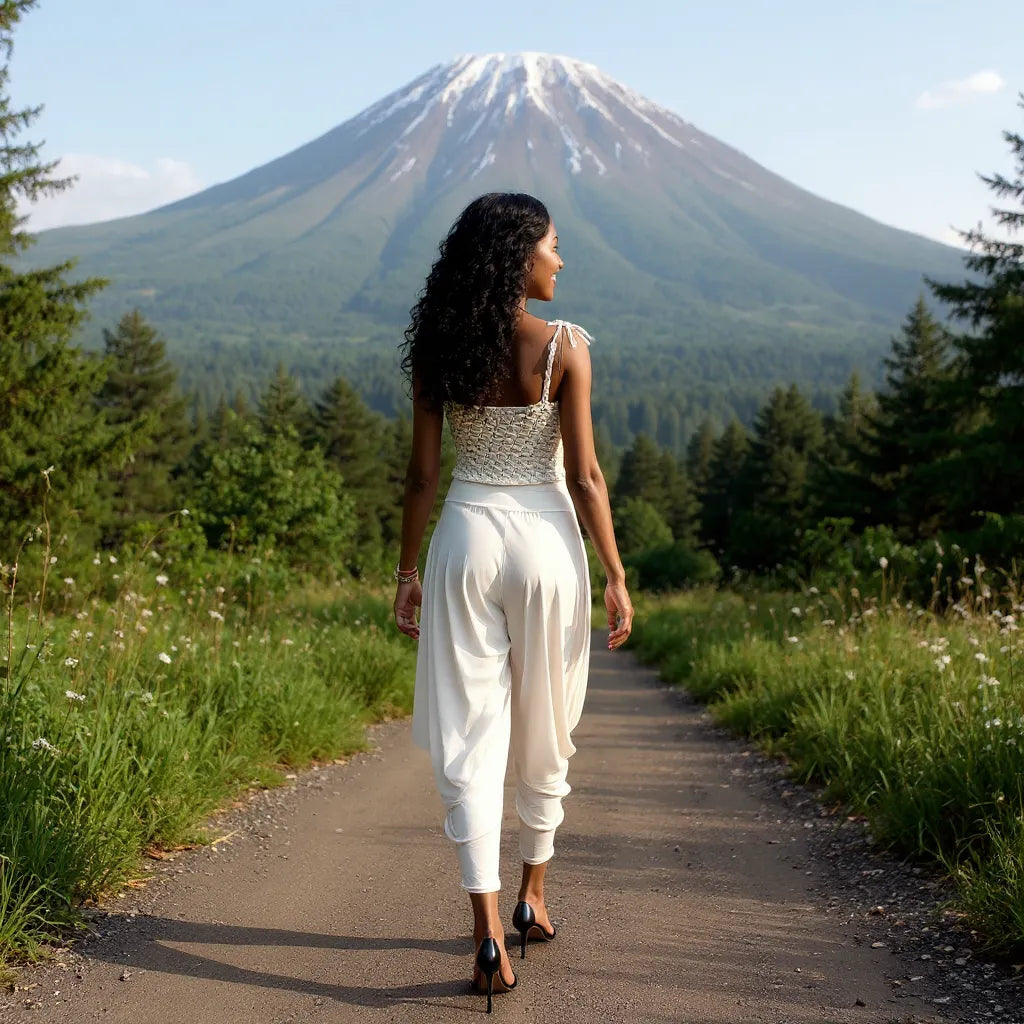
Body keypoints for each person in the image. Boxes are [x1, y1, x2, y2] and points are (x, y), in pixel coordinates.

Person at [393, 192, 633, 1012]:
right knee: (546, 722)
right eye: (553, 247)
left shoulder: (439, 348)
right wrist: (616, 573)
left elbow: (422, 477)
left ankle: (488, 931)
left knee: (470, 733)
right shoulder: (564, 346)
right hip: (544, 543)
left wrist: (406, 572)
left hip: (463, 538)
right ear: (518, 257)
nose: (560, 262)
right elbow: (586, 477)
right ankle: (534, 892)